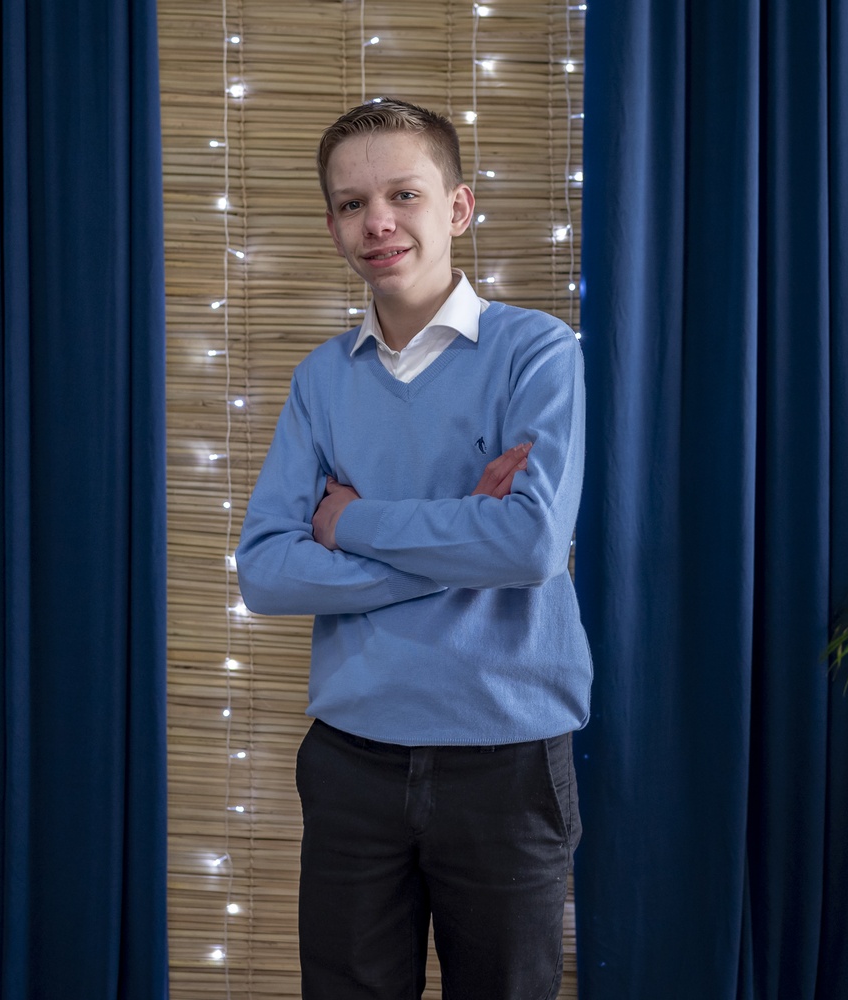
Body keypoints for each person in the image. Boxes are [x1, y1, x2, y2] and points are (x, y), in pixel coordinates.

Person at [235, 97, 592, 1000]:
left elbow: (530, 544)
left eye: (404, 194)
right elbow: (267, 573)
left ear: (459, 208)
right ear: (332, 227)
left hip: (509, 760)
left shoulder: (538, 352)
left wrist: (350, 523)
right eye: (352, 204)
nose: (378, 222)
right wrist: (460, 541)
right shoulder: (320, 379)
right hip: (352, 761)